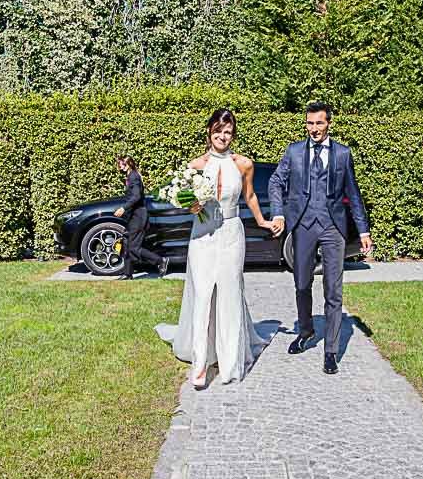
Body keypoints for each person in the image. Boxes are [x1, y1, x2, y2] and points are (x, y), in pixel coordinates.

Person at [155, 109, 276, 387]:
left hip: (232, 233)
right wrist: (191, 205)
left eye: (228, 132)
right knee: (202, 295)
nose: (223, 136)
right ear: (209, 131)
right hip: (203, 235)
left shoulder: (244, 164)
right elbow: (183, 196)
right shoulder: (196, 165)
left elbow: (250, 195)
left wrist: (262, 221)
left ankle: (229, 359)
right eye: (219, 130)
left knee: (230, 292)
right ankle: (200, 363)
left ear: (233, 134)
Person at [267, 101, 373, 375]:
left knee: (333, 290)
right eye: (310, 123)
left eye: (319, 123)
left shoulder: (342, 154)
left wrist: (363, 230)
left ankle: (331, 351)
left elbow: (354, 192)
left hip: (332, 228)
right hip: (303, 225)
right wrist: (279, 213)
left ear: (329, 124)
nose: (314, 129)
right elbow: (276, 181)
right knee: (302, 283)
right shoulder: (294, 151)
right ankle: (305, 331)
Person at [115, 156, 169, 280]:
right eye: (119, 163)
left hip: (138, 216)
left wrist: (123, 208)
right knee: (128, 243)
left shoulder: (133, 176)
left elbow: (136, 196)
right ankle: (127, 274)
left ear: (128, 163)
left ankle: (160, 261)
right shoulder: (130, 176)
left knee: (134, 247)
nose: (119, 166)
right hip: (133, 216)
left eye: (121, 163)